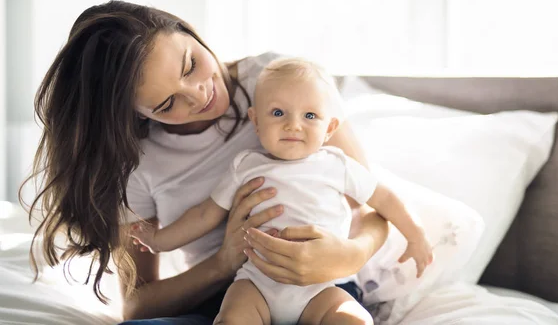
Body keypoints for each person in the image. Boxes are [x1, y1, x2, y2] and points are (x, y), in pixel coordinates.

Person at [22, 0, 397, 324]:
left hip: (323, 283)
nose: (198, 94)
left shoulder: (277, 79)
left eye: (190, 65)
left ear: (188, 31)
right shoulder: (136, 162)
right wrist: (224, 262)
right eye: (166, 104)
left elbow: (368, 206)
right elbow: (137, 303)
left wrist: (350, 254)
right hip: (230, 297)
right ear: (135, 115)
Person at [130, 57, 433, 324]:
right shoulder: (245, 165)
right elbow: (203, 216)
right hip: (256, 283)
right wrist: (158, 240)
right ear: (256, 122)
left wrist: (415, 235)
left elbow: (383, 200)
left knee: (354, 320)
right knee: (232, 317)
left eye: (309, 116)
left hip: (323, 285)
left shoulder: (337, 165)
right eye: (277, 114)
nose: (293, 125)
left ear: (330, 128)